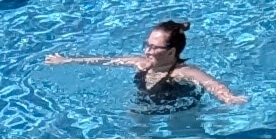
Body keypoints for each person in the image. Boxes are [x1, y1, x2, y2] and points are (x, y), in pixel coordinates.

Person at [43, 17, 243, 106]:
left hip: (180, 110)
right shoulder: (140, 63)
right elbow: (105, 61)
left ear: (171, 51)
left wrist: (229, 98)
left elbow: (212, 84)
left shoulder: (183, 72)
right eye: (146, 45)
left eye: (154, 48)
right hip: (144, 107)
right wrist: (67, 60)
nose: (147, 51)